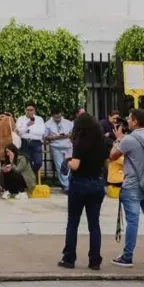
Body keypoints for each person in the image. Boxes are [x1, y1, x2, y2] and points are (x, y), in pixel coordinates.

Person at [109, 108, 144, 268]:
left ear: (135, 121)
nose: (128, 121)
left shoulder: (129, 139)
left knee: (132, 221)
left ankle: (127, 256)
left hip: (132, 185)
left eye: (130, 118)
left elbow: (112, 156)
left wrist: (118, 139)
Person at [58, 113, 110, 270]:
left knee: (73, 222)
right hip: (96, 183)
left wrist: (67, 161)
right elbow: (107, 165)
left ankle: (69, 258)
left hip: (79, 183)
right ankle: (95, 260)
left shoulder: (80, 143)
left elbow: (76, 165)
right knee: (94, 223)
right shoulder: (103, 142)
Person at [45, 109, 74, 192]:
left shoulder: (68, 122)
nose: (58, 118)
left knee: (70, 165)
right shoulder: (48, 124)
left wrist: (68, 135)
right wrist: (57, 137)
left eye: (59, 116)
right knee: (60, 166)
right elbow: (46, 137)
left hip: (67, 146)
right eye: (56, 117)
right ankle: (66, 185)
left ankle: (71, 183)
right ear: (52, 116)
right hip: (55, 146)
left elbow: (73, 133)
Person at [16, 104, 45, 174]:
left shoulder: (39, 119)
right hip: (24, 142)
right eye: (28, 110)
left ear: (34, 110)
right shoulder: (20, 119)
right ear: (25, 110)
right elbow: (18, 132)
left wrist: (28, 131)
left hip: (36, 142)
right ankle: (29, 179)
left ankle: (31, 174)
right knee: (25, 162)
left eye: (31, 110)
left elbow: (41, 132)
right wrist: (27, 125)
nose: (29, 112)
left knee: (38, 162)